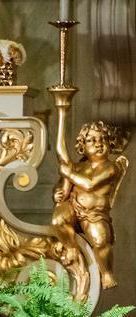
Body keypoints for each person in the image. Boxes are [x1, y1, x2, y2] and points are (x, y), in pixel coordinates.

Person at [51, 121, 128, 289]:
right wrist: (56, 193)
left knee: (101, 242)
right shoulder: (77, 166)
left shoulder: (111, 167)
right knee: (57, 221)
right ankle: (70, 246)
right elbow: (63, 187)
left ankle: (106, 272)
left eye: (103, 139)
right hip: (73, 207)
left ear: (110, 144)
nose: (98, 144)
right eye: (91, 140)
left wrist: (69, 173)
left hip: (95, 214)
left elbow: (90, 184)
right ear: (82, 146)